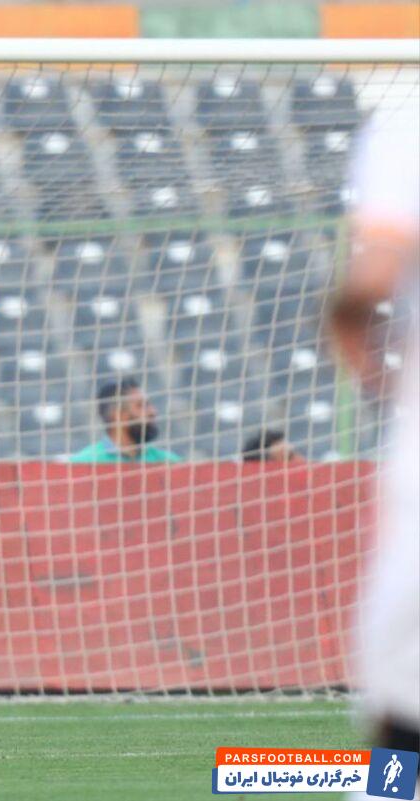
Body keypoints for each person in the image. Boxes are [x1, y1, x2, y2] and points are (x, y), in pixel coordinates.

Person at [328, 97, 420, 773]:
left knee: (405, 708)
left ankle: (389, 787)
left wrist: (355, 340)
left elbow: (372, 279)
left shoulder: (406, 129)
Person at [69, 378, 181, 463]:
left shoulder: (169, 462)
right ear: (118, 415)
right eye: (141, 406)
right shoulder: (83, 463)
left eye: (149, 404)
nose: (153, 412)